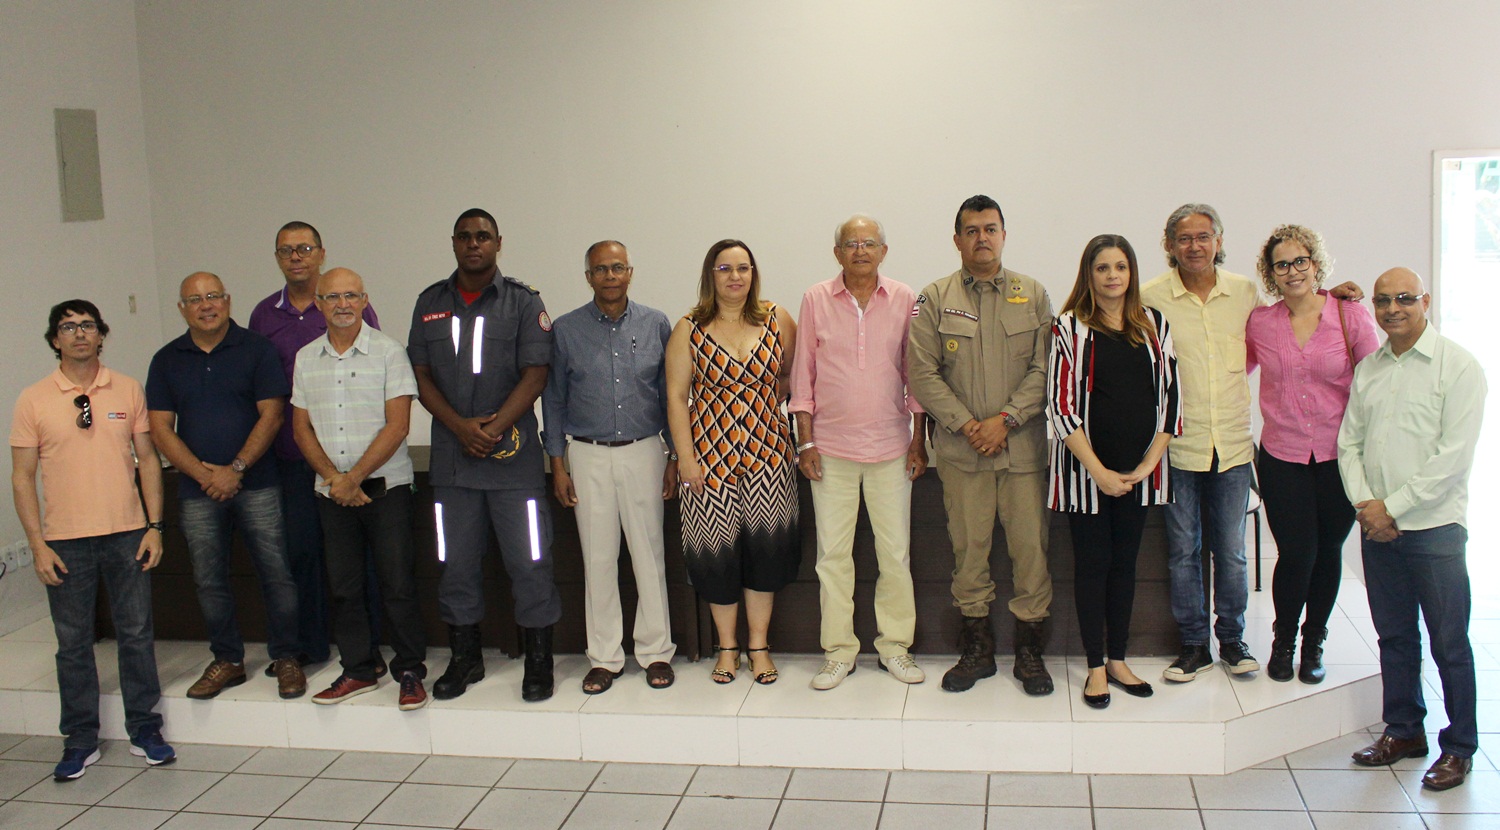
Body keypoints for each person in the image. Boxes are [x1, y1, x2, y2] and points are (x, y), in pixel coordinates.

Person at [10, 300, 176, 780]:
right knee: (73, 643)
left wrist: (155, 526)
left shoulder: (127, 388)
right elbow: (22, 477)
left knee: (136, 635)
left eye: (87, 325)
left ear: (101, 335)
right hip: (64, 541)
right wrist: (37, 545)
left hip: (127, 534)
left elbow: (148, 459)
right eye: (68, 326)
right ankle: (80, 739)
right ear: (54, 339)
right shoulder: (33, 399)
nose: (79, 333)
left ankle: (145, 729)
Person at [1341, 267, 1486, 791]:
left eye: (1404, 298)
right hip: (1378, 530)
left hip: (1435, 530)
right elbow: (1349, 444)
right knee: (1395, 637)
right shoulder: (1371, 368)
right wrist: (1367, 505)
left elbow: (1453, 458)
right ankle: (1404, 731)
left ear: (1425, 301)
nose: (1392, 309)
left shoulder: (1459, 367)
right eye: (1383, 300)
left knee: (1449, 643)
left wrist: (1392, 508)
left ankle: (1459, 747)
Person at [408, 208, 562, 702]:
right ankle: (465, 658)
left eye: (483, 236)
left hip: (513, 463)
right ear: (453, 243)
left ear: (498, 243)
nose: (474, 244)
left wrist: (492, 430)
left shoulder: (523, 301)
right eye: (465, 237)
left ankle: (538, 661)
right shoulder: (430, 302)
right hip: (454, 464)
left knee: (531, 562)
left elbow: (536, 374)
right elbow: (420, 375)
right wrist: (460, 428)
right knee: (455, 563)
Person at [908, 195, 1055, 696]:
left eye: (990, 229)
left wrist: (1006, 420)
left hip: (1022, 452)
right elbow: (922, 373)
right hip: (962, 453)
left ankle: (1030, 653)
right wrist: (970, 425)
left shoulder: (1033, 294)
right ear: (957, 240)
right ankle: (978, 650)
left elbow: (1045, 368)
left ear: (1004, 235)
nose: (982, 238)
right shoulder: (934, 297)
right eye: (971, 231)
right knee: (968, 553)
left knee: (1030, 552)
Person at [147, 273, 305, 701]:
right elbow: (160, 429)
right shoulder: (166, 359)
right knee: (208, 579)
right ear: (182, 309)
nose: (206, 305)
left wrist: (235, 469)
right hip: (197, 491)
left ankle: (287, 657)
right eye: (195, 299)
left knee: (277, 573)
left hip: (258, 482)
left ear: (228, 301)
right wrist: (204, 475)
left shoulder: (257, 349)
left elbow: (272, 415)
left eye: (213, 296)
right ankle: (227, 659)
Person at [789, 215, 928, 690]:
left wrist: (918, 439)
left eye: (870, 243)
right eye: (851, 243)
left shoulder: (905, 298)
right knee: (832, 557)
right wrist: (806, 442)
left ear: (884, 251)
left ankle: (895, 647)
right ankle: (838, 651)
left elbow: (914, 374)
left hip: (891, 448)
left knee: (895, 555)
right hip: (830, 451)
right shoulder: (815, 299)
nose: (861, 250)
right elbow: (802, 376)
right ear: (838, 253)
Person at [1047, 235, 1179, 709]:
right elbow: (1060, 407)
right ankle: (1095, 667)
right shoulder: (1069, 327)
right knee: (1093, 567)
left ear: (1131, 272)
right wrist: (1099, 471)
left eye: (1120, 266)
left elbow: (1171, 400)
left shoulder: (1154, 325)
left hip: (1139, 475)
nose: (1112, 276)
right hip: (1086, 475)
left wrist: (1147, 464)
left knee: (1125, 566)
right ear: (1089, 274)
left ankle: (1119, 659)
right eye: (1102, 268)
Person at [542, 240, 678, 694]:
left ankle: (656, 652)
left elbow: (670, 394)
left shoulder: (655, 323)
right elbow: (553, 399)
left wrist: (674, 456)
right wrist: (557, 463)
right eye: (601, 269)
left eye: (618, 267)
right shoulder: (565, 330)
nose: (610, 276)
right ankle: (604, 657)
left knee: (649, 555)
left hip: (645, 450)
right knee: (598, 559)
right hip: (587, 454)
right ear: (589, 277)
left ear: (630, 272)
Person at [249, 221, 383, 676]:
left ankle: (368, 648)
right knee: (303, 554)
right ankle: (310, 644)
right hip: (294, 458)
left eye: (304, 248)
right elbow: (264, 388)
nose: (296, 257)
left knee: (359, 558)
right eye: (286, 250)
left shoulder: (351, 305)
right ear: (277, 258)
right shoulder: (264, 316)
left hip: (353, 461)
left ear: (321, 254)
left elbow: (374, 374)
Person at [1246, 224, 1378, 684]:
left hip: (1339, 457)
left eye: (1300, 261)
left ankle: (1314, 641)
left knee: (1327, 552)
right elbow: (1232, 371)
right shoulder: (1260, 323)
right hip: (1282, 457)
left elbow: (1375, 383)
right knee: (1296, 552)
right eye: (1282, 264)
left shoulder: (1349, 315)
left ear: (1316, 264)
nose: (1292, 271)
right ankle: (1283, 641)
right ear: (1271, 274)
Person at [291, 268, 428, 710]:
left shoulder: (389, 352)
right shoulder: (306, 358)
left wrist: (353, 478)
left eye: (351, 296)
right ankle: (359, 669)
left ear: (365, 300)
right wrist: (336, 480)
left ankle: (410, 671)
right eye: (333, 297)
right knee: (344, 587)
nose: (343, 304)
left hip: (386, 490)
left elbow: (398, 425)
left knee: (398, 584)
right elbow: (301, 428)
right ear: (318, 303)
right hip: (331, 494)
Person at [665, 239, 798, 685]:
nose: (735, 276)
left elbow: (792, 374)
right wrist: (686, 459)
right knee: (715, 558)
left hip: (769, 457)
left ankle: (758, 647)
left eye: (743, 268)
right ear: (711, 275)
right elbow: (676, 397)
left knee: (766, 555)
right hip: (709, 461)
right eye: (725, 269)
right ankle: (727, 648)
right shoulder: (689, 328)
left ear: (753, 273)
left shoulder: (777, 318)